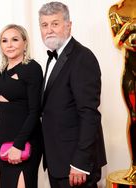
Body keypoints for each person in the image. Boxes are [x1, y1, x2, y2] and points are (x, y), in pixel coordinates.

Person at [38, 2, 107, 187]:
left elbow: (89, 114)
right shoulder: (54, 57)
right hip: (58, 161)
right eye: (44, 25)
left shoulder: (82, 57)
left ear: (68, 25)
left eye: (55, 23)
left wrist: (80, 163)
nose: (49, 30)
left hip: (75, 165)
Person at [0, 24, 43, 188]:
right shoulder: (3, 70)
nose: (9, 44)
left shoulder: (32, 68)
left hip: (23, 141)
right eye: (4, 41)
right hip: (3, 140)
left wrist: (18, 144)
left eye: (15, 39)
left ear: (25, 42)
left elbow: (35, 111)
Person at [109, 0, 136, 182]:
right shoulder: (116, 10)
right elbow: (119, 42)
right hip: (132, 74)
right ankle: (135, 166)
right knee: (134, 117)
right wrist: (129, 26)